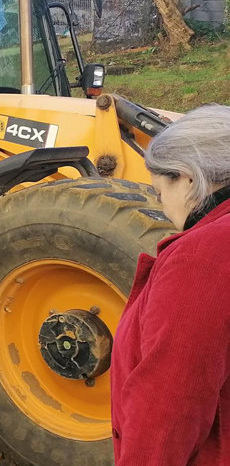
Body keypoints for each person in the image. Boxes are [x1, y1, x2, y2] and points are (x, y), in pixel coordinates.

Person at [111, 104, 230, 466]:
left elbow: (170, 403)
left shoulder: (203, 258)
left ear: (188, 179)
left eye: (160, 194)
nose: (164, 211)